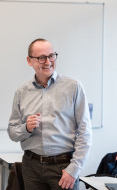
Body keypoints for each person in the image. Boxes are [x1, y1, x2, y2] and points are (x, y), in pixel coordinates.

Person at [7, 38, 92, 190]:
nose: (48, 62)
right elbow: (13, 132)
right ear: (29, 61)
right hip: (31, 167)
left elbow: (85, 132)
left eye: (51, 56)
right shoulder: (21, 92)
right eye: (41, 58)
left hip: (63, 167)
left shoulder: (73, 87)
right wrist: (26, 128)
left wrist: (74, 169)